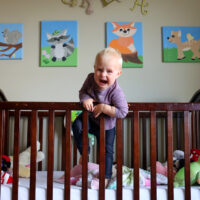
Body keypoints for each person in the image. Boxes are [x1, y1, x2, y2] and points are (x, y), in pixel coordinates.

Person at [72, 47, 128, 187]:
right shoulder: (90, 79)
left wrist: (104, 107)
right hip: (90, 119)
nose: (103, 74)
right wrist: (85, 99)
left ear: (118, 73)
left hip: (107, 126)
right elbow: (83, 91)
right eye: (99, 70)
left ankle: (106, 176)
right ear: (94, 68)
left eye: (109, 71)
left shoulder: (116, 91)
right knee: (76, 125)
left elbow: (123, 111)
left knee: (106, 151)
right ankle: (85, 152)